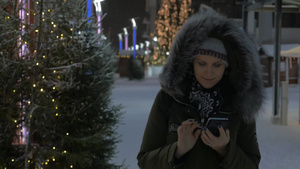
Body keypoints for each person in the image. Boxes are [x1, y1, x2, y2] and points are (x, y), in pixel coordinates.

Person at [137, 9, 264, 169]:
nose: (209, 72)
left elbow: (252, 165)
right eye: (201, 63)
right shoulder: (169, 99)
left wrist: (226, 151)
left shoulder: (240, 102)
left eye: (217, 65)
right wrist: (178, 150)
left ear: (227, 67)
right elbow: (145, 161)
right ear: (191, 63)